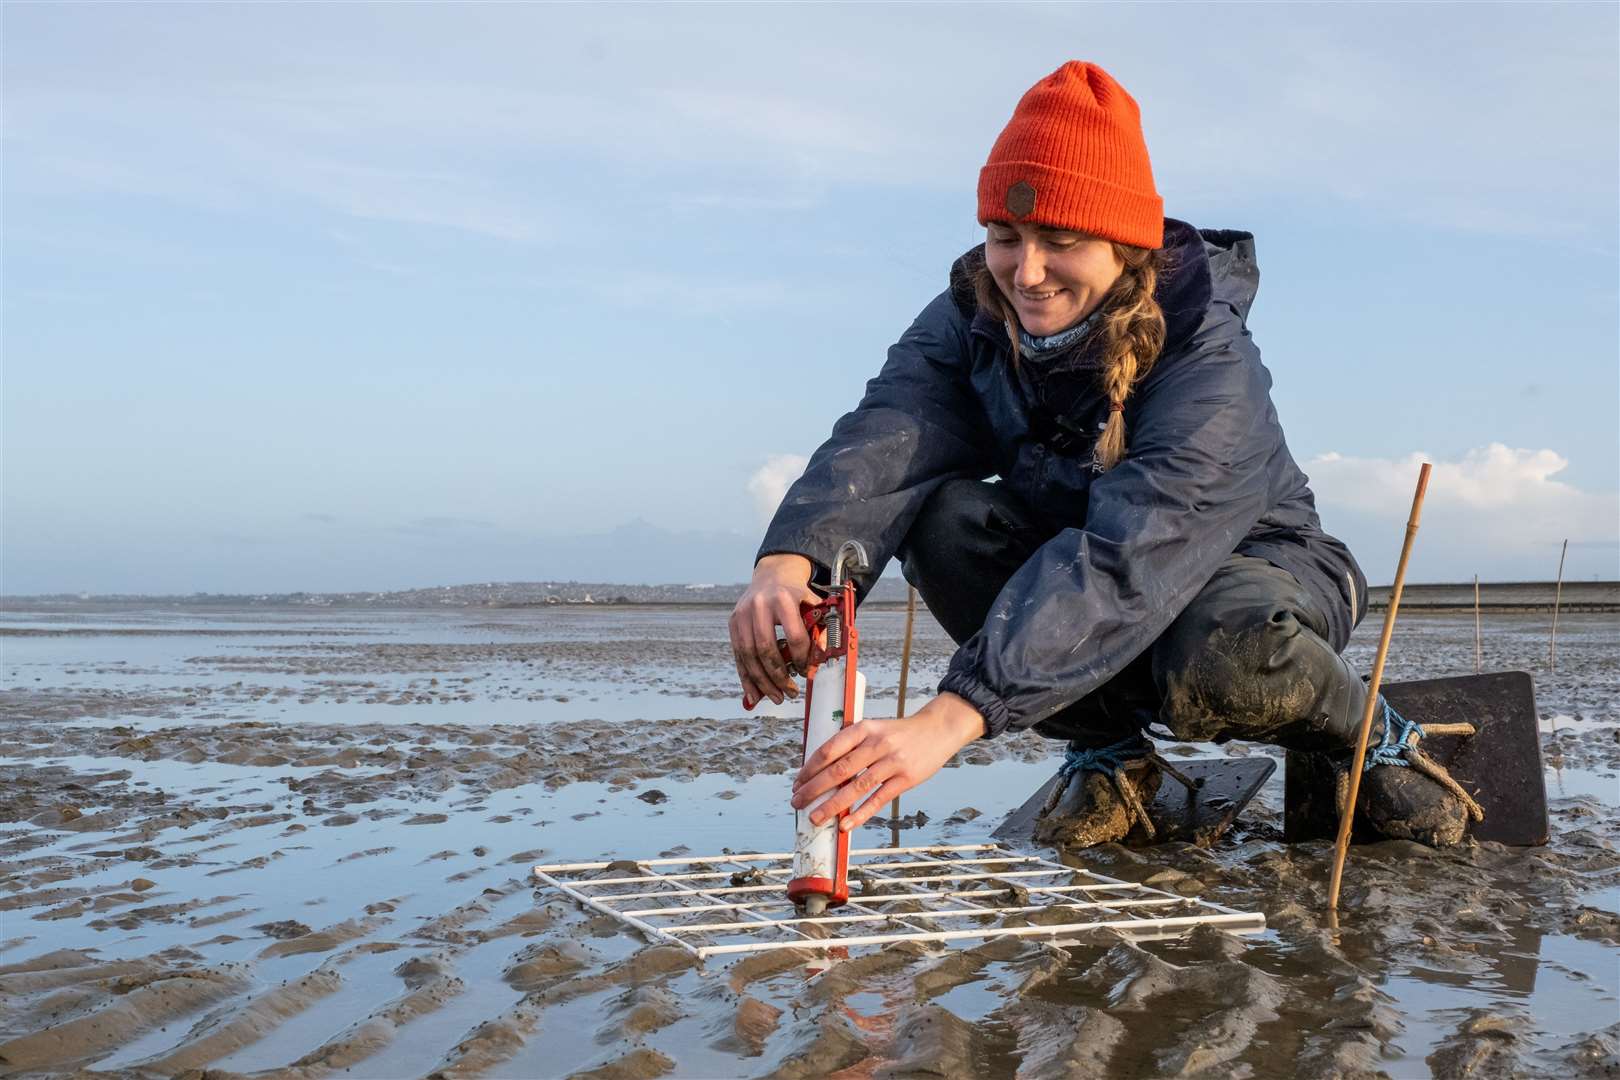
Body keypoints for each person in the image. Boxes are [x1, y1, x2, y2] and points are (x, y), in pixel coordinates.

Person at [729, 61, 1471, 849]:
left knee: (1220, 656)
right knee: (946, 522)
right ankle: (1113, 754)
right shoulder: (970, 313)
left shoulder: (1209, 363)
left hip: (1255, 573)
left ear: (1124, 245)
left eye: (1063, 240)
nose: (1028, 271)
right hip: (1076, 575)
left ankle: (1371, 737)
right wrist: (788, 565)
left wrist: (950, 718)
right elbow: (890, 431)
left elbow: (1131, 555)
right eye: (1005, 237)